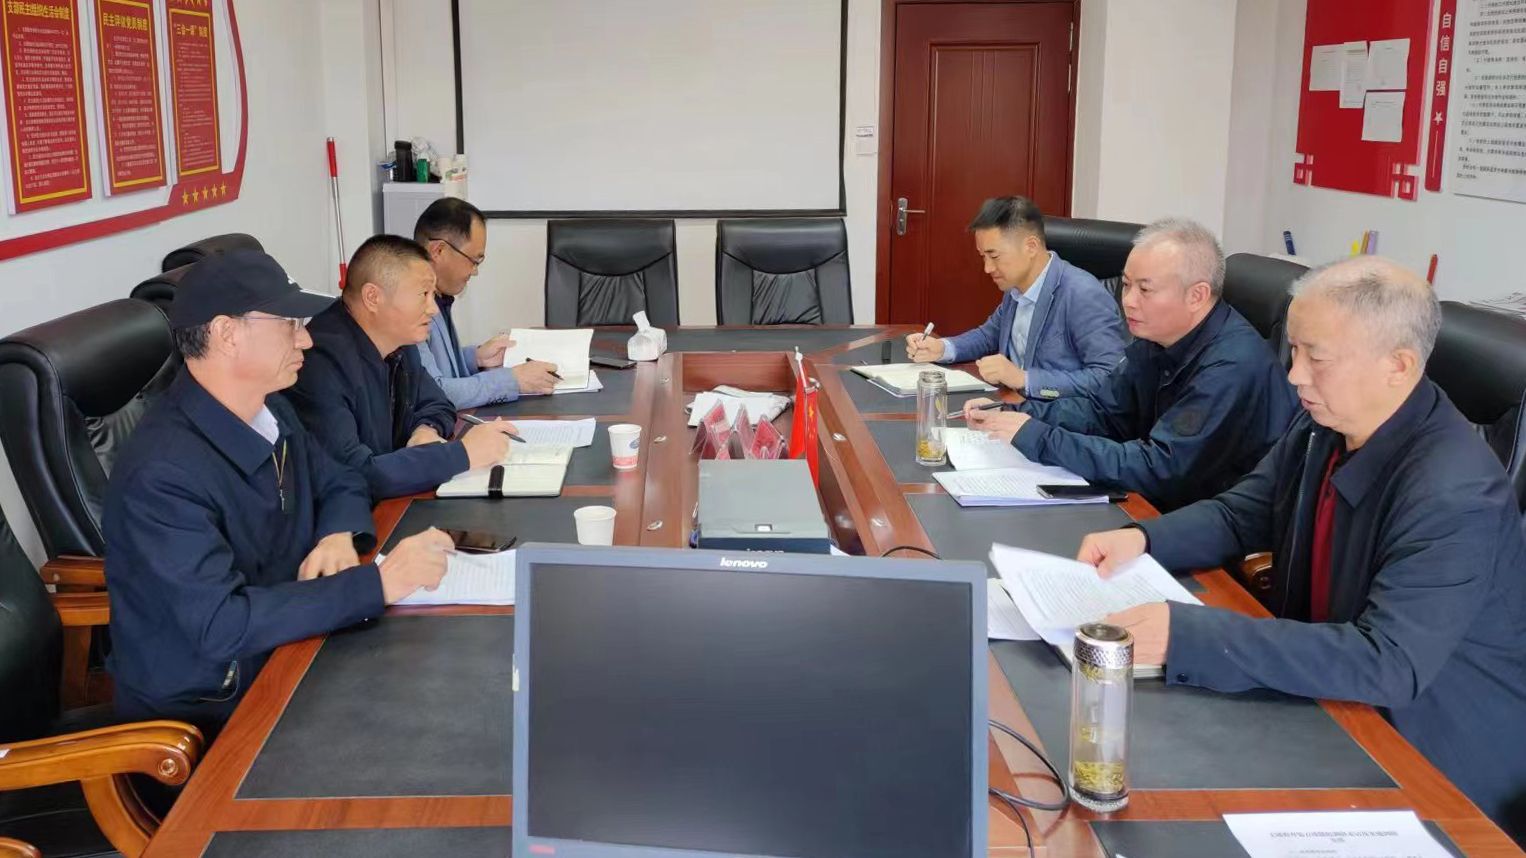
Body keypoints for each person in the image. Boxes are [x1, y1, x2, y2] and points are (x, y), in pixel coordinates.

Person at [1078, 257, 1526, 842]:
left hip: (1431, 760)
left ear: (1398, 366)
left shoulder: (1455, 491)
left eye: (1317, 357)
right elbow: (1245, 511)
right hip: (1328, 703)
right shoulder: (1325, 425)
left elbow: (1387, 662)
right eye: (1294, 351)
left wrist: (1192, 634)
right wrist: (1142, 538)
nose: (1294, 376)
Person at [104, 250, 454, 732]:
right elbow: (222, 625)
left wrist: (337, 535)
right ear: (227, 333)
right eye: (289, 324)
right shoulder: (162, 475)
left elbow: (342, 479)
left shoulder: (269, 409)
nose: (306, 338)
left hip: (292, 647)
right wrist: (378, 585)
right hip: (215, 708)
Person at [965, 217, 1297, 511]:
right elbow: (1103, 412)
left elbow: (1159, 467)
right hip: (1156, 502)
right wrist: (1016, 413)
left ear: (1196, 295)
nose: (1128, 301)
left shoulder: (1230, 367)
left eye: (1145, 289)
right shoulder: (1157, 338)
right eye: (1126, 285)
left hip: (1205, 521)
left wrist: (1039, 438)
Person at [288, 235, 518, 499]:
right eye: (423, 294)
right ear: (373, 297)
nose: (433, 309)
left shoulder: (398, 338)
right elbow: (353, 475)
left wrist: (425, 430)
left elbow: (438, 403)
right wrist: (462, 454)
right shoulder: (320, 362)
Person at [905, 196, 1125, 400]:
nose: (987, 268)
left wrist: (1024, 379)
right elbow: (989, 336)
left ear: (1031, 247)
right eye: (983, 257)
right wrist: (942, 348)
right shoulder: (1016, 287)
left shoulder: (1083, 294)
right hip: (1013, 406)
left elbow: (1109, 379)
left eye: (994, 256)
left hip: (1060, 419)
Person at [413, 197, 559, 408]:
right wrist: (513, 380)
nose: (475, 271)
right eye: (473, 261)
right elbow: (436, 392)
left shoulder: (440, 295)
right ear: (439, 251)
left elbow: (435, 367)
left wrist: (476, 358)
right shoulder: (410, 305)